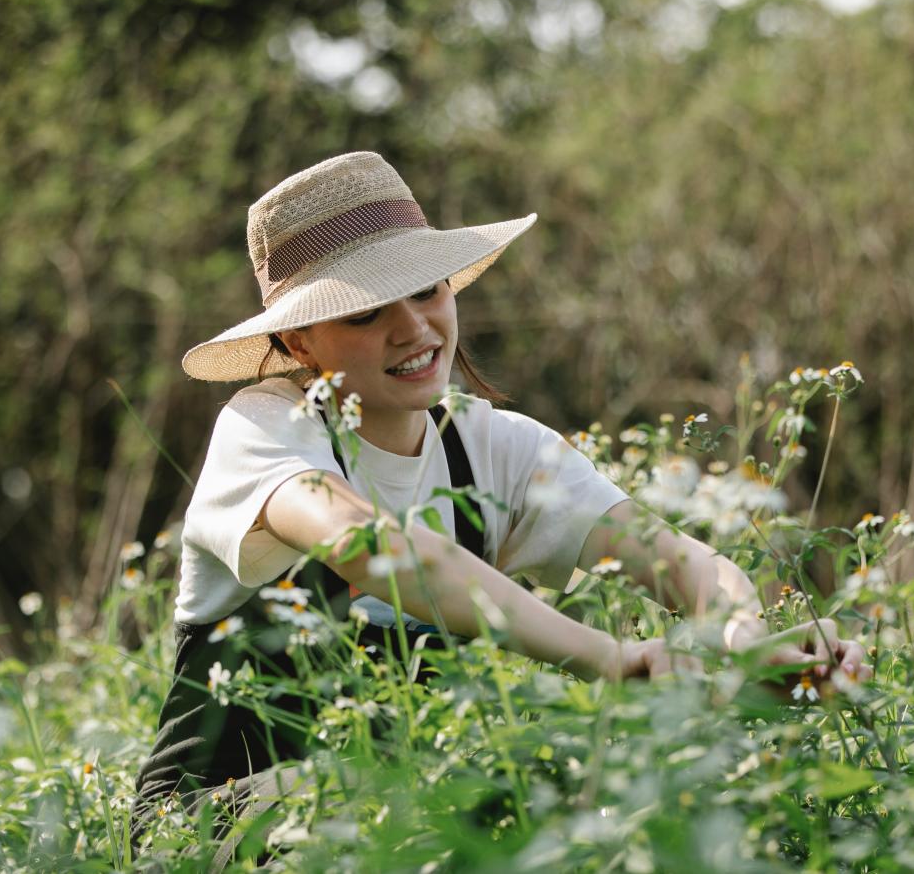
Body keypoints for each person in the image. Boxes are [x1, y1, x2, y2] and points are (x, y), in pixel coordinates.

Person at [130, 151, 869, 843]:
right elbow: (367, 546)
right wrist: (606, 657)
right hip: (215, 824)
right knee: (478, 797)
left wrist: (739, 636)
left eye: (426, 291)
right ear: (298, 345)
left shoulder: (492, 446)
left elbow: (676, 558)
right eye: (365, 313)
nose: (413, 328)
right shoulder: (265, 427)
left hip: (409, 809)